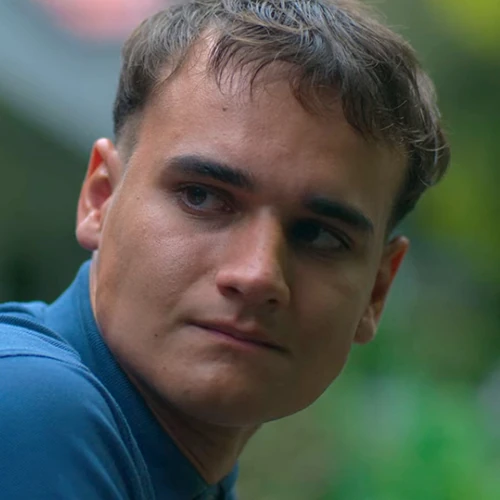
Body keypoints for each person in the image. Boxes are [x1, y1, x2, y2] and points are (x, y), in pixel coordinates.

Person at [0, 0, 450, 498]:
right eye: (201, 196)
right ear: (100, 199)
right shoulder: (31, 406)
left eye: (319, 235)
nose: (258, 274)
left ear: (376, 293)